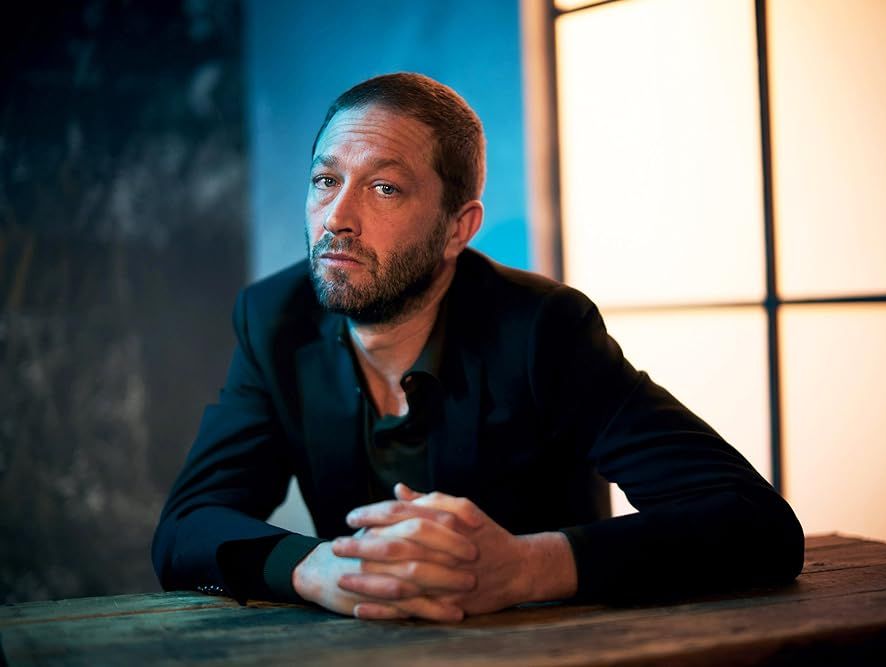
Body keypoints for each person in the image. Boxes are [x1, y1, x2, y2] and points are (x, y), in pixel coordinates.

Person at [152, 72, 804, 623]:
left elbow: (756, 523)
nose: (338, 218)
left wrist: (525, 568)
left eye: (384, 188)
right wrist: (314, 566)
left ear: (457, 228)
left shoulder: (543, 329)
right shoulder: (275, 320)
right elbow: (186, 526)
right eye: (326, 180)